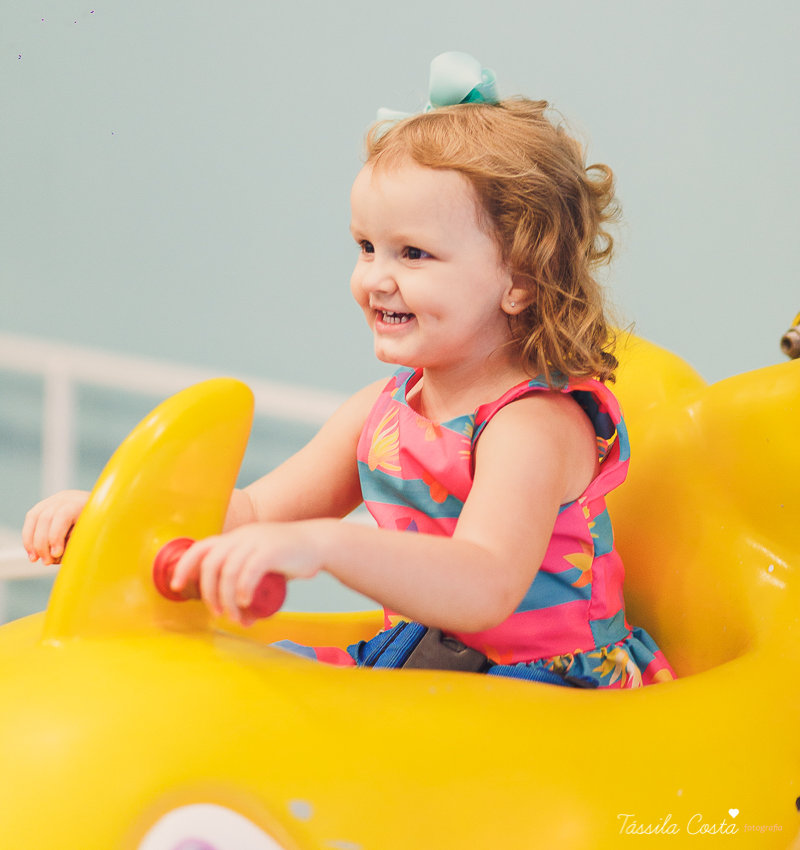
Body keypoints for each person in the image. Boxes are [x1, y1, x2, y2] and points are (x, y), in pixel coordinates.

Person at [23, 54, 674, 688]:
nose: (375, 279)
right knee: (235, 690)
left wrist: (325, 548)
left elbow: (483, 585)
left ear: (521, 280)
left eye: (413, 253)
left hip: (550, 688)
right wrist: (119, 512)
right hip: (437, 663)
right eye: (367, 247)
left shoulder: (531, 424)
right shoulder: (383, 411)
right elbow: (254, 512)